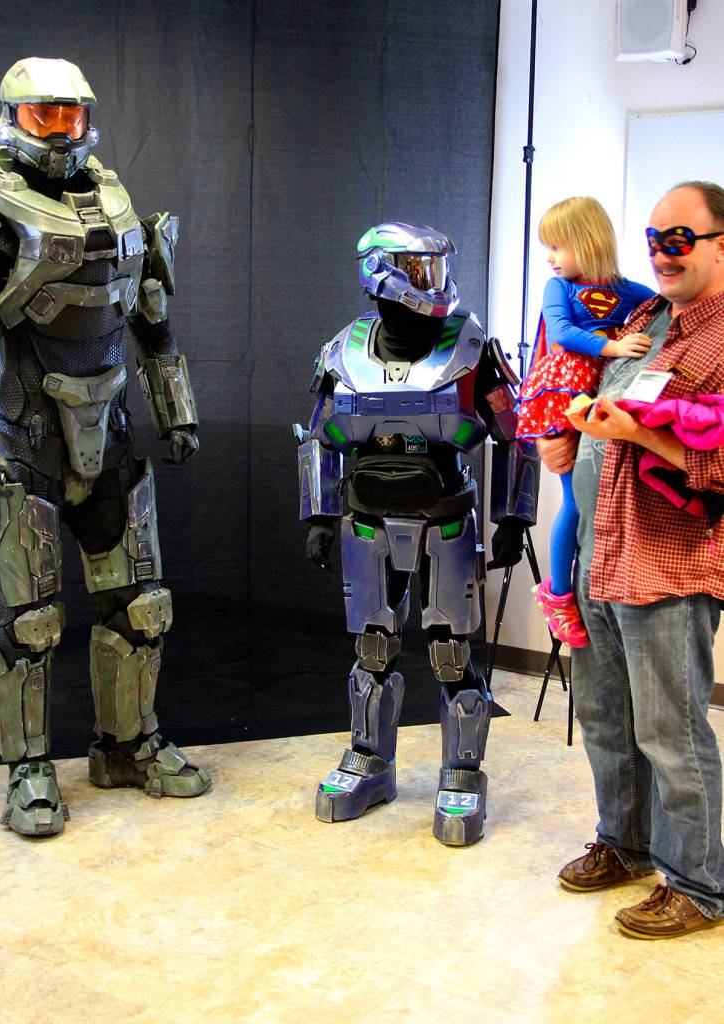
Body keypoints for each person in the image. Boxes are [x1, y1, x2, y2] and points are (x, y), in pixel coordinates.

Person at [0, 58, 211, 837]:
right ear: (11, 119)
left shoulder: (116, 202)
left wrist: (176, 412)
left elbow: (154, 321)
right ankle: (30, 771)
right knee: (27, 623)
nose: (61, 130)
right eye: (43, 118)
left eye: (71, 115)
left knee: (141, 606)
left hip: (115, 435)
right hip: (23, 446)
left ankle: (127, 747)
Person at [295, 222, 539, 846]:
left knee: (452, 652)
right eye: (418, 267)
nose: (432, 281)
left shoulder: (469, 348)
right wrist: (321, 515)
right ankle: (370, 760)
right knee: (374, 646)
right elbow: (320, 437)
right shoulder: (343, 350)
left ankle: (461, 771)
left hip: (446, 516)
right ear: (382, 274)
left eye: (434, 267)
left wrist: (513, 516)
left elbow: (516, 432)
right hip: (367, 516)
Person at [538, 181, 724, 938]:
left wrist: (640, 436)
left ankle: (698, 886)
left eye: (679, 237)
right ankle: (626, 844)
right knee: (605, 717)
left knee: (671, 732)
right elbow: (595, 403)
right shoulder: (643, 315)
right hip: (599, 553)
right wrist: (565, 440)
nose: (660, 252)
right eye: (652, 239)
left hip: (668, 564)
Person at [516, 197, 654, 646]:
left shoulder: (627, 290)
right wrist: (612, 346)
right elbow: (558, 331)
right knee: (575, 503)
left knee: (592, 504)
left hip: (603, 401)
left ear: (586, 241)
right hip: (565, 397)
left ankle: (581, 589)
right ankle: (558, 593)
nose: (551, 258)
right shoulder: (559, 290)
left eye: (557, 247)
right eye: (547, 249)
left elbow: (661, 309)